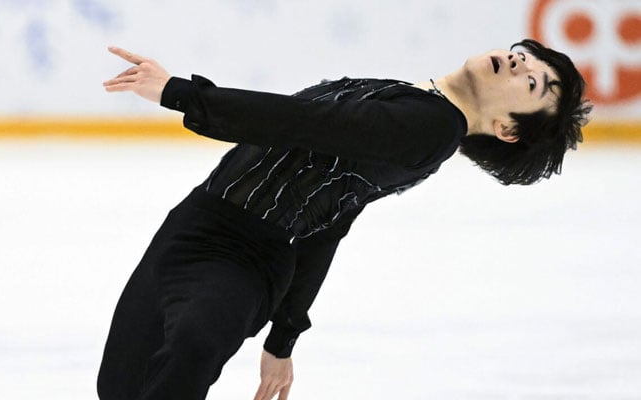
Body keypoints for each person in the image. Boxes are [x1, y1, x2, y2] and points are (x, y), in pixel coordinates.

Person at [96, 39, 591, 400]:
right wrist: (284, 335)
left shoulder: (431, 128)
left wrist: (182, 94)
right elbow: (330, 222)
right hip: (196, 223)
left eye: (531, 83)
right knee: (122, 388)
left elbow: (302, 122)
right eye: (528, 57)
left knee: (189, 349)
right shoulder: (415, 101)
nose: (521, 62)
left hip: (242, 257)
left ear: (507, 129)